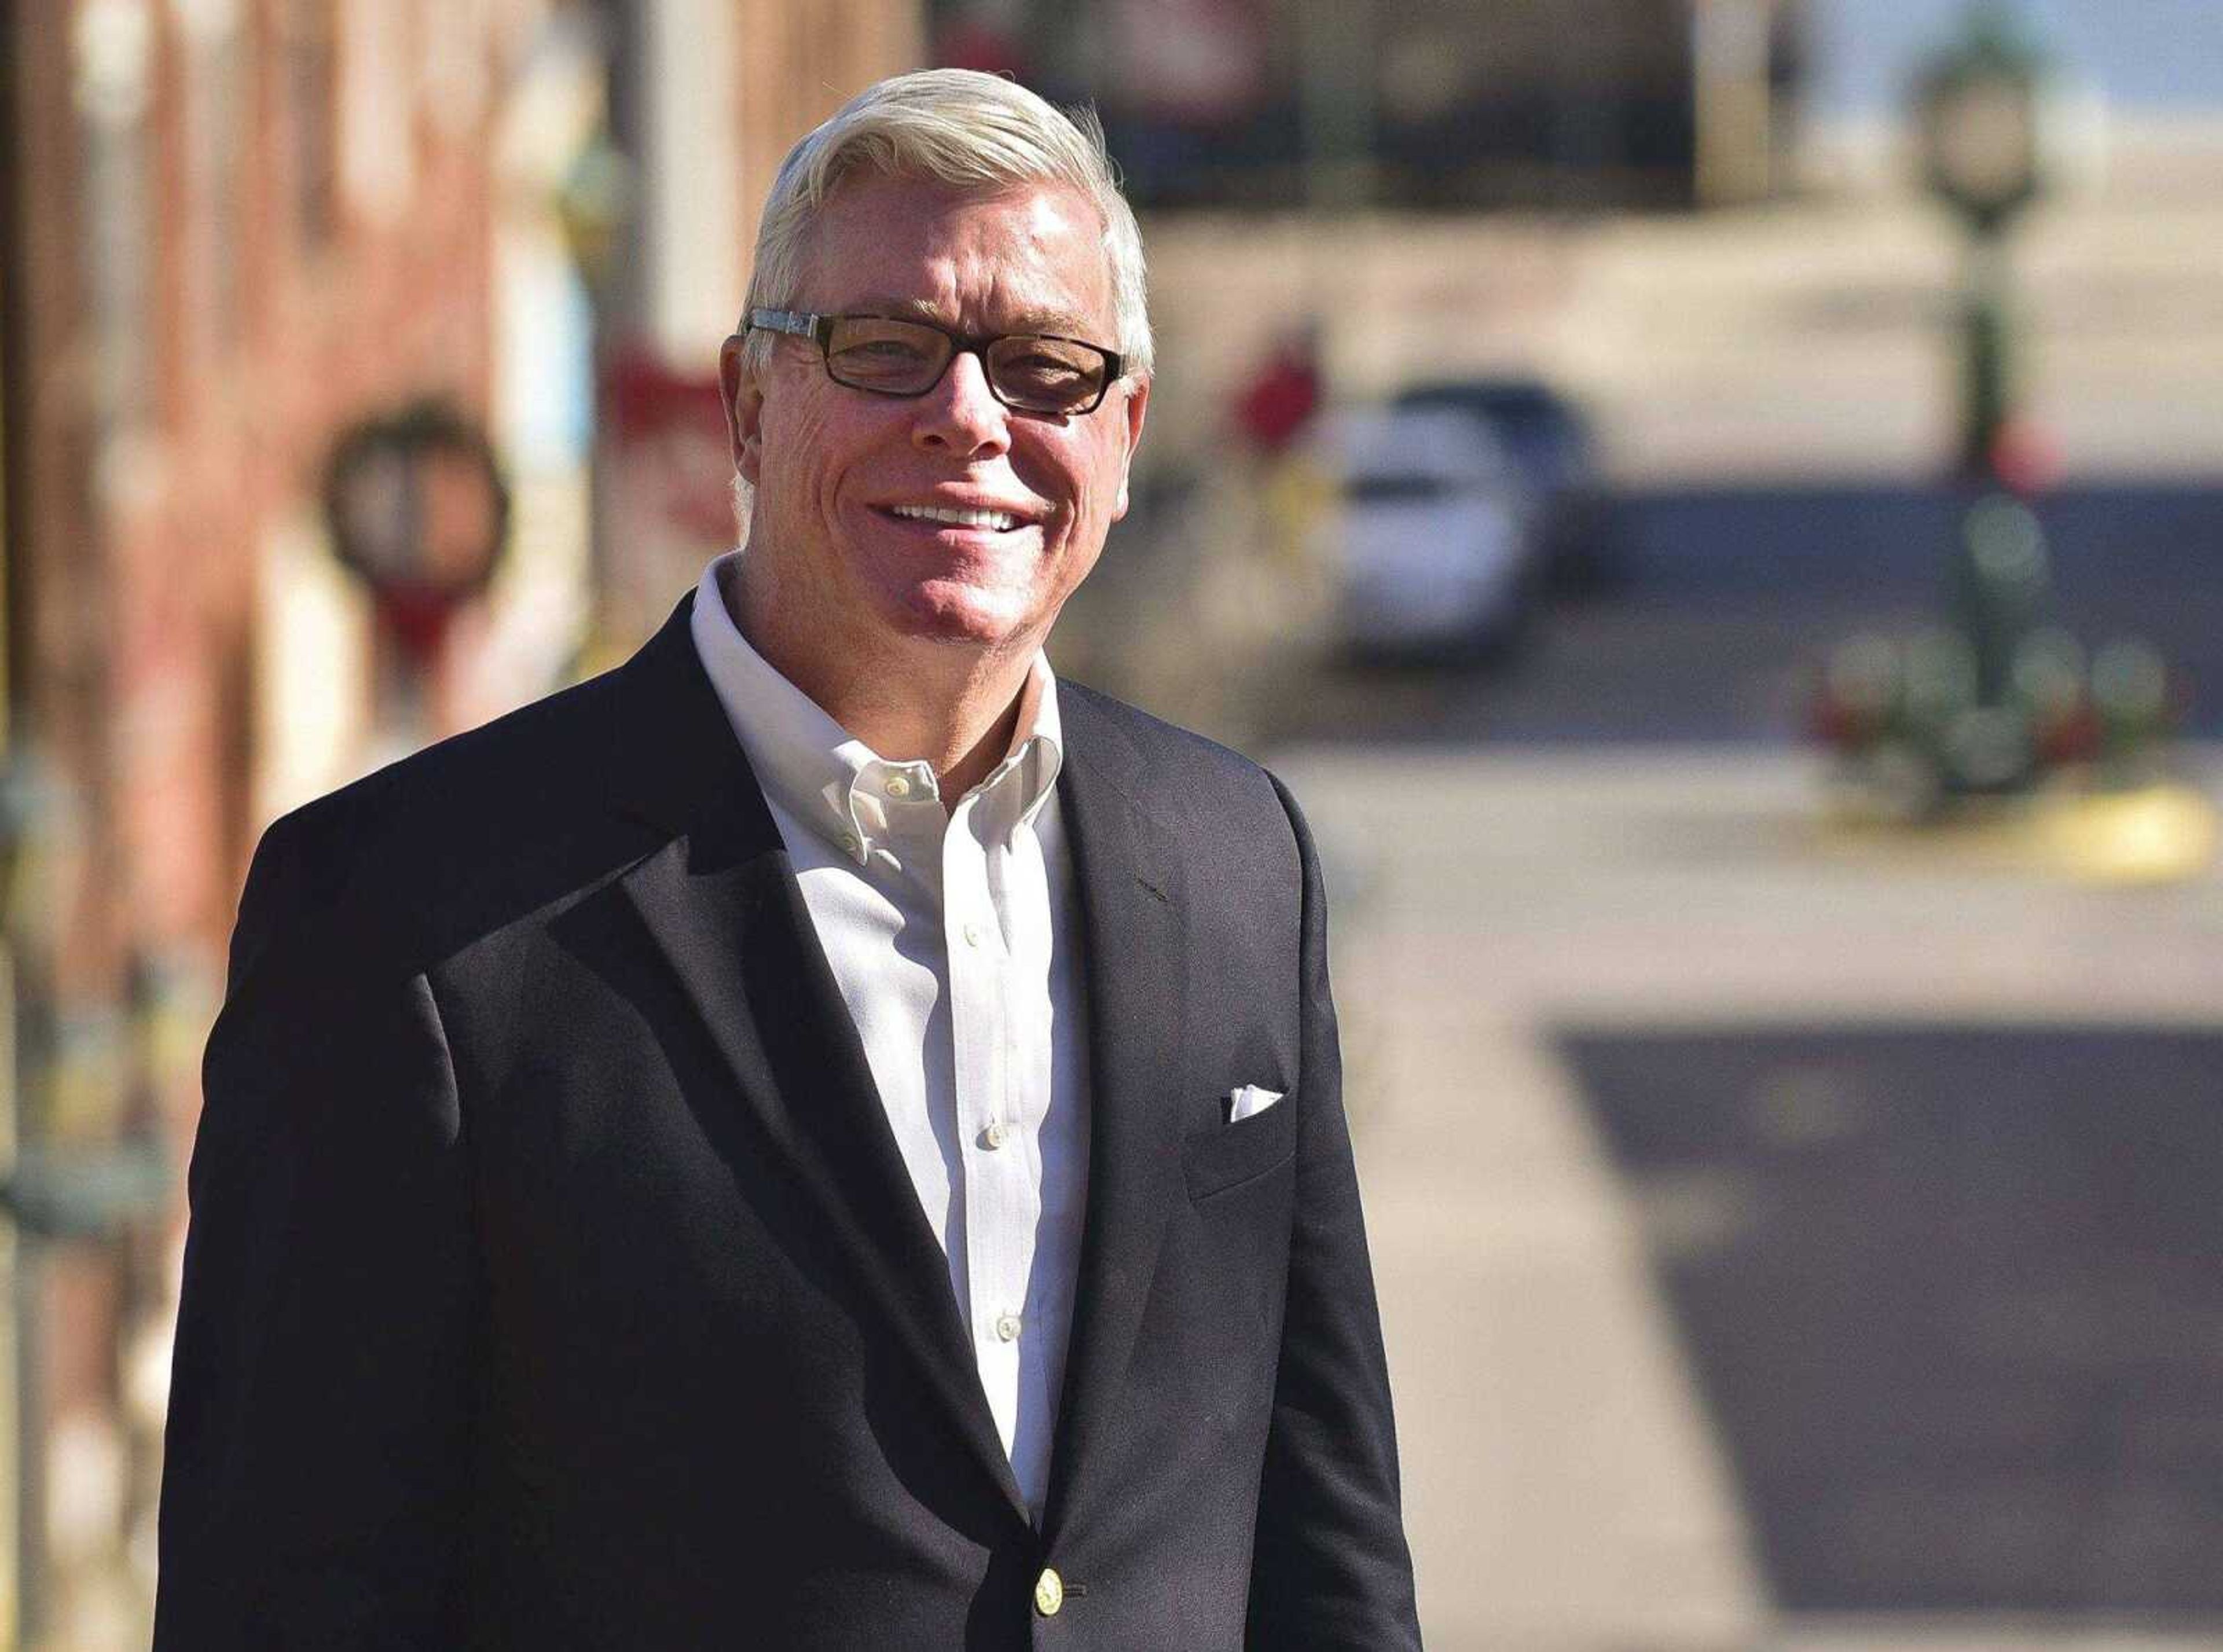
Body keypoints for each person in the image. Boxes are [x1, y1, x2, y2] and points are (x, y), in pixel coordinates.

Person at [156, 69, 1420, 1649]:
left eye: (1046, 369)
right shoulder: (411, 917)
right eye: (887, 351)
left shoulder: (1241, 857)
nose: (971, 419)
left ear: (1126, 432)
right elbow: (284, 1599)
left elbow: (1332, 1548)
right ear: (751, 404)